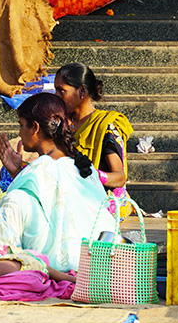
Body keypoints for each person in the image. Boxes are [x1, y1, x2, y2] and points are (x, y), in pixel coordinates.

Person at [0, 93, 114, 283]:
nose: (19, 133)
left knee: (15, 198)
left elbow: (6, 216)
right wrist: (17, 171)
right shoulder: (84, 165)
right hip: (97, 260)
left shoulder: (39, 169)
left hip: (57, 261)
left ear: (35, 127)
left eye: (20, 124)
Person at [53, 63, 134, 212]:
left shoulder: (104, 126)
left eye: (61, 91)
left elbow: (119, 178)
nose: (56, 97)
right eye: (55, 90)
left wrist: (93, 174)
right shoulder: (61, 123)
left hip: (100, 202)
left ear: (82, 91)